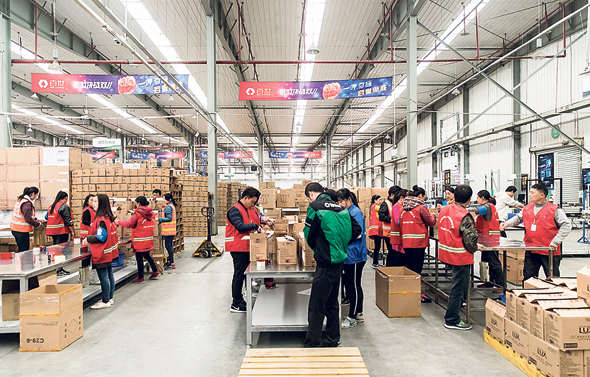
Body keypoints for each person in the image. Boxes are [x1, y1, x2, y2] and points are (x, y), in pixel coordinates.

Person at [303, 183, 362, 347]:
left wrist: (318, 248)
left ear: (312, 194)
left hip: (325, 262)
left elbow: (308, 234)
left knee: (316, 304)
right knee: (332, 303)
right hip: (339, 261)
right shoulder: (340, 207)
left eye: (309, 197)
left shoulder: (315, 207)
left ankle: (313, 342)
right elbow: (356, 229)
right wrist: (340, 244)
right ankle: (332, 339)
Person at [500, 183, 572, 279]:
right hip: (531, 249)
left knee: (552, 278)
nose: (530, 195)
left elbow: (566, 225)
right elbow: (518, 218)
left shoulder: (554, 210)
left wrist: (556, 241)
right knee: (529, 277)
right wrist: (507, 224)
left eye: (532, 193)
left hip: (549, 250)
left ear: (542, 195)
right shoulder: (528, 207)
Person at [438, 185, 481, 330]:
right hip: (460, 255)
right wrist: (476, 247)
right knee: (458, 286)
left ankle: (457, 307)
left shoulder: (444, 210)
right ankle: (452, 319)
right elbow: (469, 240)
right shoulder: (464, 215)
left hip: (446, 252)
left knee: (458, 285)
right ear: (469, 200)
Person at [225, 187, 269, 313]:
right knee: (239, 274)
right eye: (252, 202)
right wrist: (255, 227)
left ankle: (242, 298)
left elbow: (251, 221)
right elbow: (240, 226)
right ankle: (236, 303)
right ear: (245, 198)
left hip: (245, 247)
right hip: (237, 248)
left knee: (244, 274)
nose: (253, 204)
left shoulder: (247, 209)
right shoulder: (234, 210)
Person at [337, 189, 367, 329]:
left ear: (349, 199)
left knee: (353, 286)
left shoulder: (355, 213)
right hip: (350, 255)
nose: (340, 204)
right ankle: (359, 313)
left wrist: (342, 240)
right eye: (338, 201)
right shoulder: (348, 212)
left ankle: (352, 316)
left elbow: (358, 234)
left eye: (342, 201)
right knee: (351, 285)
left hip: (355, 256)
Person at [82, 194, 118, 310]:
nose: (93, 203)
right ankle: (110, 297)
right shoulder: (108, 218)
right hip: (108, 252)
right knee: (109, 275)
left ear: (101, 204)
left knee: (104, 277)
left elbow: (101, 237)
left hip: (101, 252)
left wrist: (88, 239)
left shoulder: (101, 219)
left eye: (96, 201)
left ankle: (106, 300)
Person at [401, 185, 436, 303]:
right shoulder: (421, 208)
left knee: (409, 268)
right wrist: (434, 215)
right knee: (417, 270)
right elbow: (430, 222)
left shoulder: (403, 208)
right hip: (418, 243)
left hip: (406, 242)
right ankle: (417, 294)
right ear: (420, 196)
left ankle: (409, 290)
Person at [117, 196, 161, 283]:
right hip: (148, 239)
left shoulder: (137, 214)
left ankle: (141, 277)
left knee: (139, 258)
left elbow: (129, 224)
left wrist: (118, 221)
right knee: (147, 255)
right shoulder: (151, 213)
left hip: (139, 241)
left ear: (138, 203)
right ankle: (155, 271)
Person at [470, 190, 502, 290]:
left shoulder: (488, 207)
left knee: (494, 263)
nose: (477, 200)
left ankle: (501, 285)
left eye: (478, 198)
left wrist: (462, 208)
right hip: (485, 239)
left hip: (490, 240)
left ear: (483, 198)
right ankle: (489, 282)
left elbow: (476, 210)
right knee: (486, 262)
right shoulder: (489, 207)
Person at [10, 187, 44, 252]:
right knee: (24, 251)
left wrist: (35, 219)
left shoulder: (21, 200)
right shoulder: (26, 204)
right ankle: (23, 262)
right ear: (32, 194)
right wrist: (38, 224)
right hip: (20, 231)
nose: (36, 197)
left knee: (21, 250)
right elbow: (28, 219)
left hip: (16, 229)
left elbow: (25, 215)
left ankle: (20, 261)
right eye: (36, 195)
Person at [378, 186, 401, 267]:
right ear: (392, 194)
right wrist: (393, 219)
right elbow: (381, 217)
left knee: (395, 253)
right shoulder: (386, 204)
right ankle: (389, 269)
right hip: (388, 234)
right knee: (392, 253)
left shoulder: (395, 204)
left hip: (394, 234)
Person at [389, 188, 409, 267]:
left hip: (401, 239)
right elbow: (398, 221)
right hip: (397, 239)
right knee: (399, 262)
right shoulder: (397, 207)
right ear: (401, 198)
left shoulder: (401, 206)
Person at [158, 193, 177, 270]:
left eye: (164, 199)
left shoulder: (169, 208)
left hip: (168, 231)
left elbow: (169, 218)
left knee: (168, 246)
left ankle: (172, 263)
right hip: (170, 230)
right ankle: (171, 261)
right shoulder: (170, 206)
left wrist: (159, 220)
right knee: (169, 246)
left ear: (169, 200)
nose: (163, 200)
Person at [368, 195, 384, 268]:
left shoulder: (372, 207)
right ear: (375, 200)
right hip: (377, 230)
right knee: (377, 247)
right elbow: (382, 209)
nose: (380, 201)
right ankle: (375, 263)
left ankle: (375, 262)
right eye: (378, 200)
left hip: (375, 230)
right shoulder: (375, 206)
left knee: (377, 246)